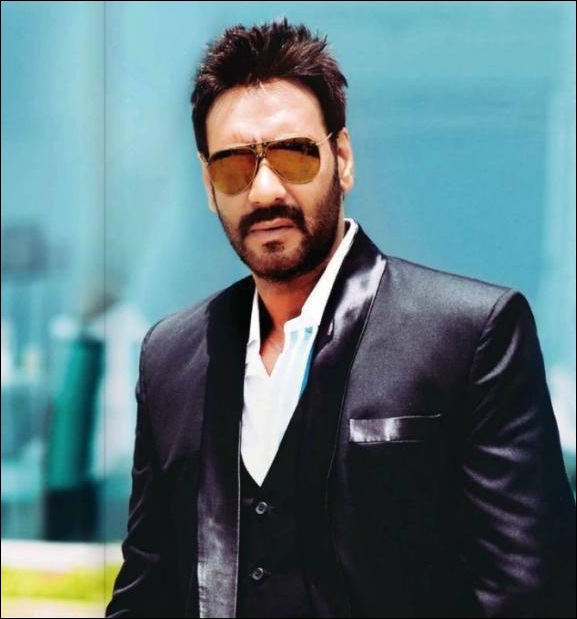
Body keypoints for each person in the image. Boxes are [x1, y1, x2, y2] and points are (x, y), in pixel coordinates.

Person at [106, 19, 575, 619]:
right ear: (208, 183)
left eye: (293, 155)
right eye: (234, 166)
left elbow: (531, 594)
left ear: (343, 158)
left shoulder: (470, 332)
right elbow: (146, 593)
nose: (264, 191)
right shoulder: (171, 356)